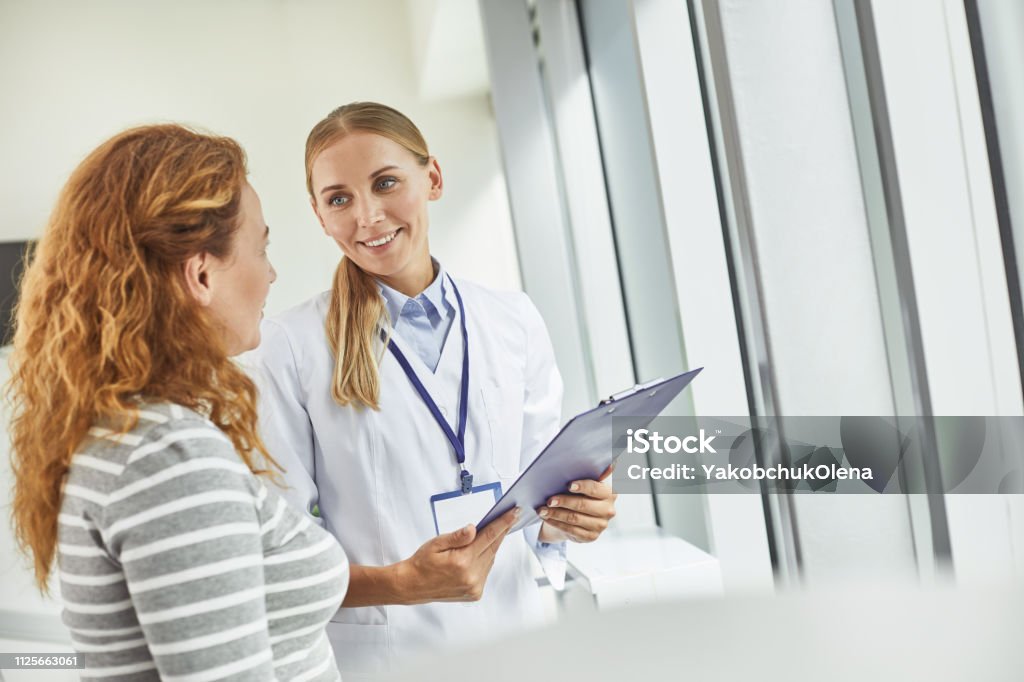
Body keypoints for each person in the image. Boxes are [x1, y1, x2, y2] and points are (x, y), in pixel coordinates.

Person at [249, 102, 617, 677]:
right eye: (339, 198)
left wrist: (572, 515)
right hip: (390, 659)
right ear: (320, 216)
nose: (367, 216)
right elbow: (283, 555)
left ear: (434, 179)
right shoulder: (289, 345)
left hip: (519, 643)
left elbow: (538, 496)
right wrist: (401, 584)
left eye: (386, 182)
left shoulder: (513, 320)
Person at [8, 124, 348, 680]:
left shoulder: (130, 435)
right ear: (201, 273)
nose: (271, 274)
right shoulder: (168, 456)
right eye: (260, 248)